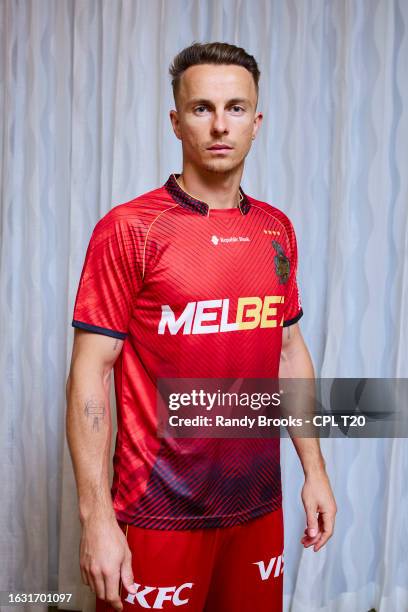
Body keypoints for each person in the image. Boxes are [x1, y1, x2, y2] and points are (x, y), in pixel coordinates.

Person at [66, 41, 337, 612]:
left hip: (257, 509)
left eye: (236, 108)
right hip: (158, 512)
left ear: (257, 122)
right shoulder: (131, 229)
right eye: (202, 108)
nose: (220, 125)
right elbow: (90, 373)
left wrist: (315, 472)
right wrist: (96, 520)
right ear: (176, 121)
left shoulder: (277, 230)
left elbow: (288, 351)